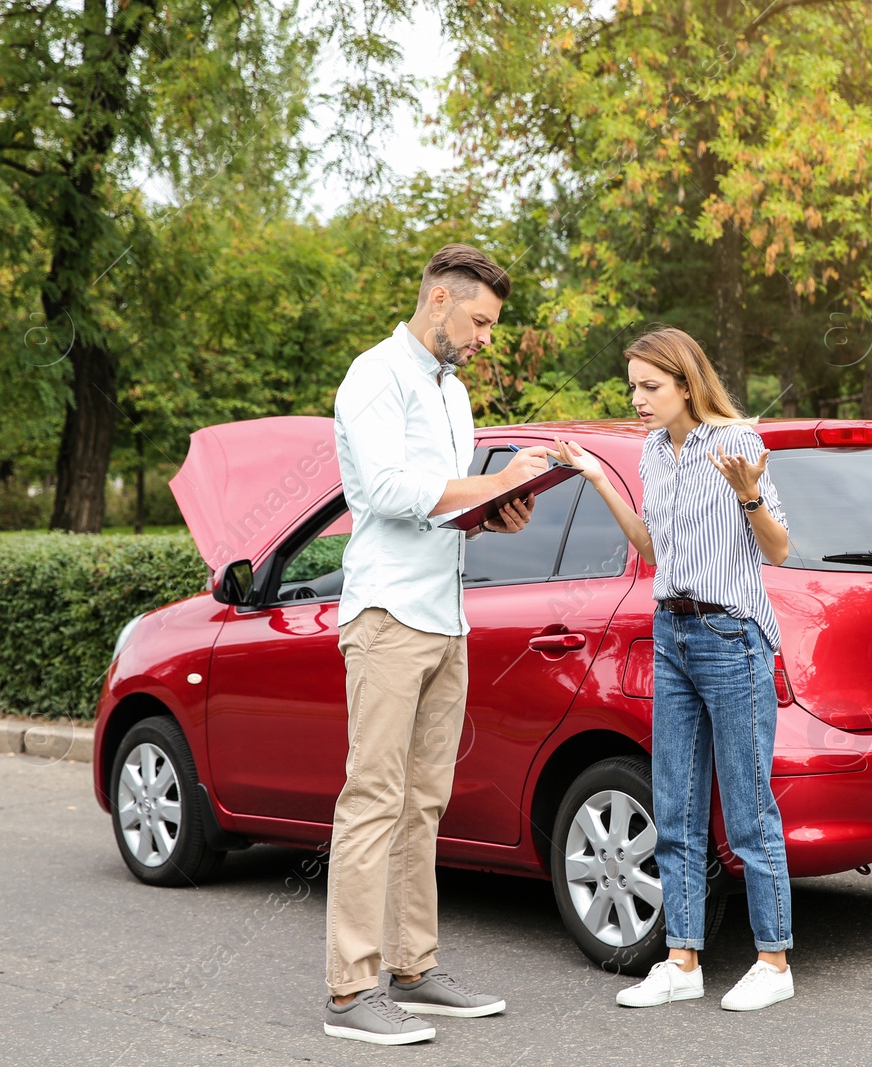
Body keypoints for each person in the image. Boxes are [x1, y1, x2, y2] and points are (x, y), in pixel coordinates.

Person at [324, 244, 551, 1046]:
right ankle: (352, 989)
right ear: (439, 300)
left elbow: (447, 501)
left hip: (447, 617)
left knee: (424, 803)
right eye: (481, 321)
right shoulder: (373, 376)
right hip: (387, 616)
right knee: (373, 801)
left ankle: (413, 971)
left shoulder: (452, 394)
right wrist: (489, 484)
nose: (487, 337)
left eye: (493, 324)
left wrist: (496, 509)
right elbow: (383, 490)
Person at [554, 326, 796, 1013]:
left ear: (686, 383)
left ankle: (773, 961)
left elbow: (777, 548)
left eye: (650, 386)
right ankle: (682, 958)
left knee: (749, 808)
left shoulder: (737, 442)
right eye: (632, 385)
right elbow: (652, 548)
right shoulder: (653, 452)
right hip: (672, 632)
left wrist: (749, 496)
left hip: (731, 633)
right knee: (676, 806)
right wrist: (599, 476)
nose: (638, 398)